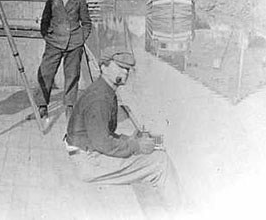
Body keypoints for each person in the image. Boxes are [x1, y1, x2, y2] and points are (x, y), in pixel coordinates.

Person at [65, 47, 184, 212]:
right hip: (89, 162)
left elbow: (101, 135)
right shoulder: (100, 99)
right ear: (104, 67)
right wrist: (136, 145)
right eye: (120, 67)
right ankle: (181, 213)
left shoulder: (103, 90)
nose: (125, 72)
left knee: (155, 143)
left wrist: (131, 140)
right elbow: (103, 143)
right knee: (160, 161)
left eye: (127, 69)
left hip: (86, 153)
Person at [35, 0, 92, 119]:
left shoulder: (80, 2)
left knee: (72, 76)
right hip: (54, 43)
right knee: (45, 73)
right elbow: (44, 22)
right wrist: (48, 37)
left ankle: (69, 106)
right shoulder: (52, 1)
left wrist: (81, 39)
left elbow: (86, 23)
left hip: (74, 44)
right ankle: (42, 105)